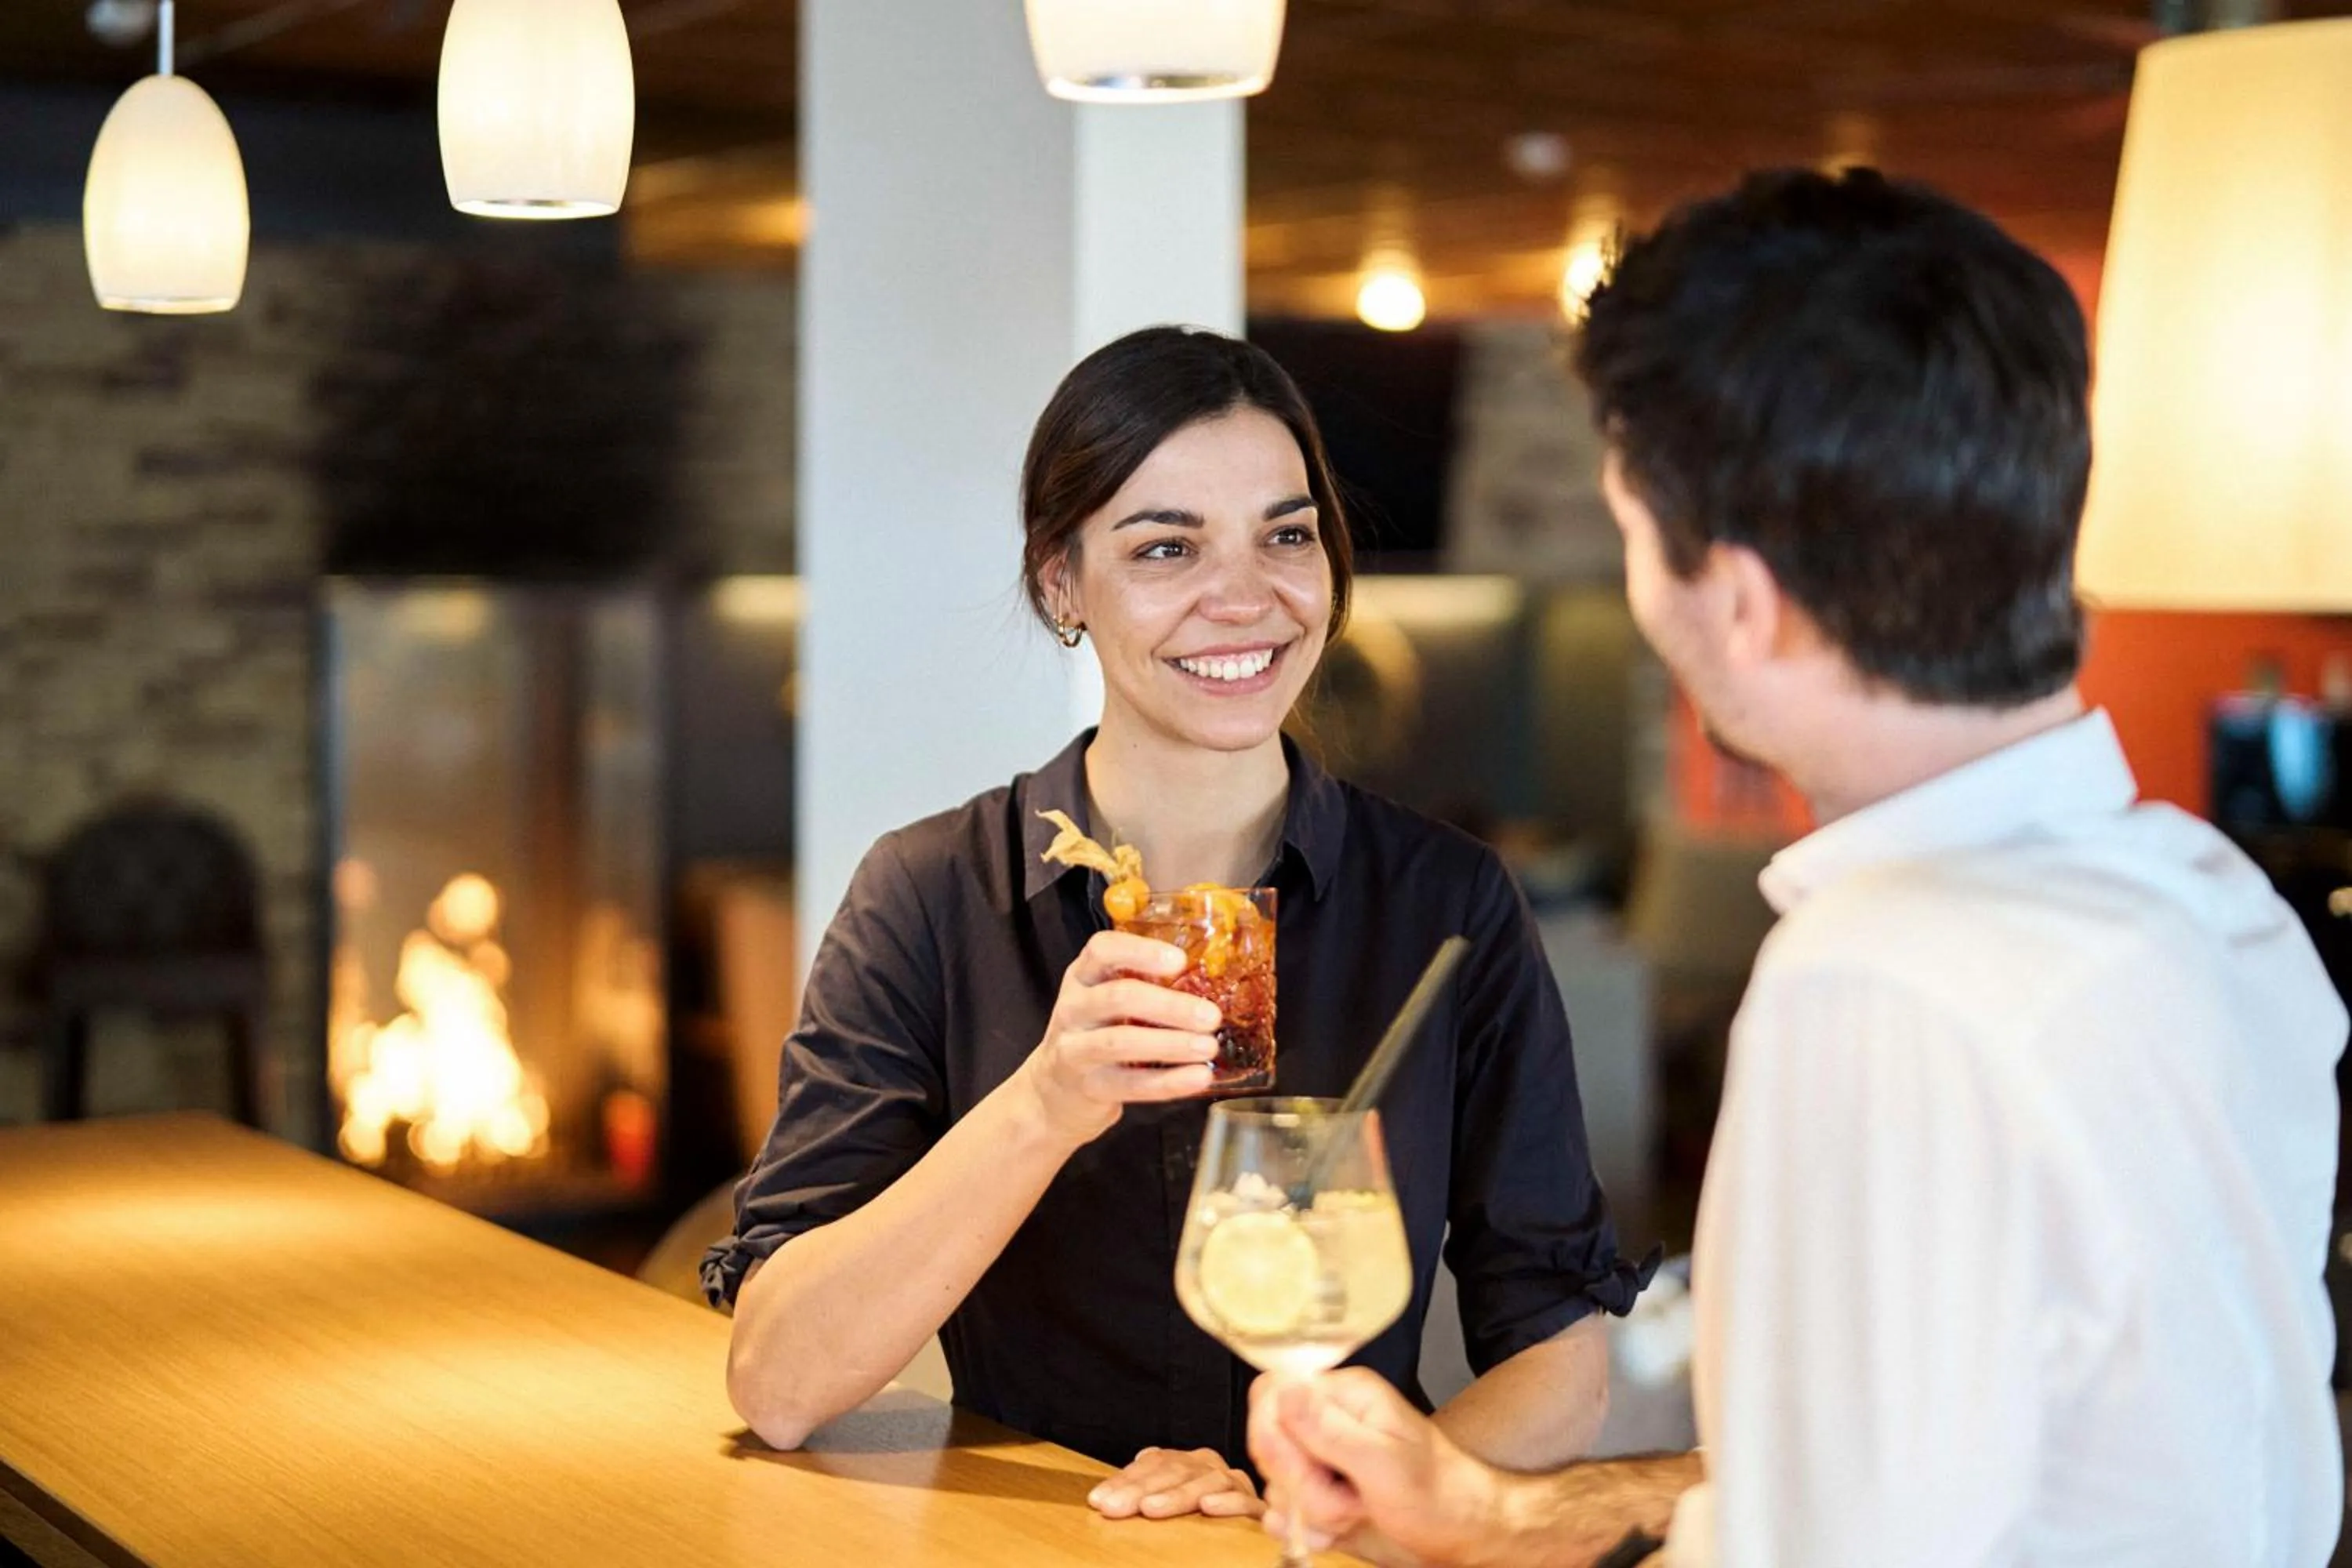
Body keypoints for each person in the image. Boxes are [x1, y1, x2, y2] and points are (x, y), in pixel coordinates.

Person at [1249, 168, 2349, 1566]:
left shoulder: (1880, 984)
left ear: (1747, 604)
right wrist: (1490, 1515)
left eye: (1639, 541)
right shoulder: (2208, 904)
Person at [704, 325, 1653, 1522]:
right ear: (1062, 582)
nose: (1245, 598)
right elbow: (780, 1385)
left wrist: (1323, 1514)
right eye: (1166, 547)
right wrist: (1045, 1103)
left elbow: (1557, 1361)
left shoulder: (1446, 904)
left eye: (1287, 535)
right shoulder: (932, 895)